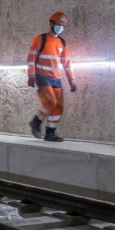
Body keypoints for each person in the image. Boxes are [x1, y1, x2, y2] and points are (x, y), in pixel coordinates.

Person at [27, 12, 77, 142]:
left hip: (56, 78)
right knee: (50, 102)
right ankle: (36, 121)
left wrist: (71, 80)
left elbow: (67, 63)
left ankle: (50, 133)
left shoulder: (62, 43)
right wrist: (31, 75)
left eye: (63, 25)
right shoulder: (40, 39)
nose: (61, 27)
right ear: (51, 24)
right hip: (42, 76)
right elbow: (31, 58)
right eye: (58, 24)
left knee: (58, 106)